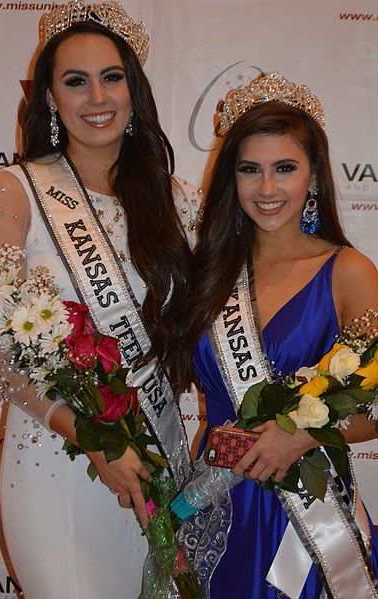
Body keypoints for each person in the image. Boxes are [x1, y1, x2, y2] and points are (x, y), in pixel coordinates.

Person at [0, 2, 201, 597]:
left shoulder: (176, 201)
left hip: (158, 457)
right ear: (50, 97)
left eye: (112, 76)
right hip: (59, 460)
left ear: (134, 88)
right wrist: (93, 440)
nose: (96, 96)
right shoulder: (16, 189)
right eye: (75, 81)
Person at [169, 72, 378, 598]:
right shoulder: (209, 274)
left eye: (285, 168)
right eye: (249, 170)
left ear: (314, 176)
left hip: (308, 514)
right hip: (216, 505)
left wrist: (303, 433)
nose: (266, 189)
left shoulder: (347, 270)